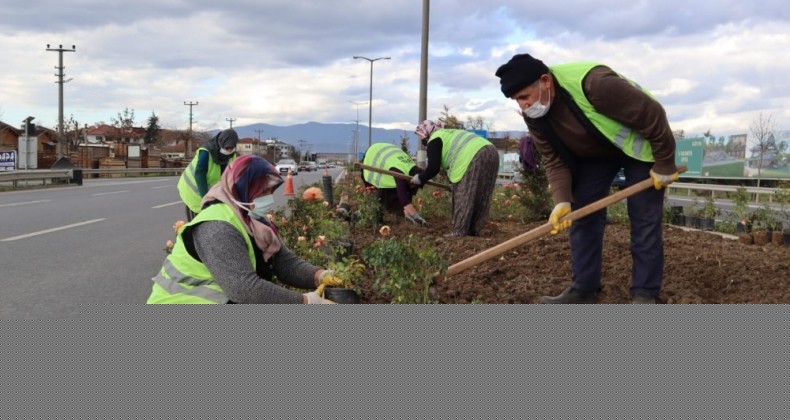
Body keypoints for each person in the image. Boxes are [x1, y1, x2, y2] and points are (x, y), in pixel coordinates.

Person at [495, 53, 679, 304]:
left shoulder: (595, 84)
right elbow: (553, 159)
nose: (523, 105)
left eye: (524, 97)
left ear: (545, 81)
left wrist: (665, 163)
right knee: (581, 212)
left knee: (643, 216)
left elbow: (652, 114)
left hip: (639, 147)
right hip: (597, 153)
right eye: (517, 100)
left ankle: (644, 294)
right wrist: (562, 200)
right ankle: (584, 289)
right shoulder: (535, 116)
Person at [148, 155, 342, 304]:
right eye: (263, 191)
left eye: (271, 191)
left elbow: (283, 262)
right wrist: (305, 301)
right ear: (242, 188)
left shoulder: (252, 219)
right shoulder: (217, 227)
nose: (269, 198)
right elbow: (245, 289)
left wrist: (319, 275)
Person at [410, 120, 499, 237]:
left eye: (421, 136)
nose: (421, 139)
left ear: (426, 133)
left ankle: (460, 231)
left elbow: (433, 168)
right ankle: (475, 229)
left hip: (473, 156)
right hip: (491, 151)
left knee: (463, 196)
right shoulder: (448, 133)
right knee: (482, 194)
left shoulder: (434, 139)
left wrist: (419, 179)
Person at [177, 128, 239, 221]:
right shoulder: (206, 152)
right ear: (220, 143)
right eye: (227, 148)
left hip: (212, 193)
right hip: (193, 191)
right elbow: (199, 173)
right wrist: (206, 198)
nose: (229, 151)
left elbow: (231, 175)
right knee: (197, 222)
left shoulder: (231, 155)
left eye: (232, 148)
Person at [362, 142, 428, 226]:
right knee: (377, 199)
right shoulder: (400, 174)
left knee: (397, 202)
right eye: (413, 185)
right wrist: (416, 216)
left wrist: (407, 211)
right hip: (372, 158)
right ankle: (368, 219)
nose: (413, 187)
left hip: (386, 155)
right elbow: (403, 197)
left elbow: (407, 193)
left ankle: (399, 216)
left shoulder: (413, 171)